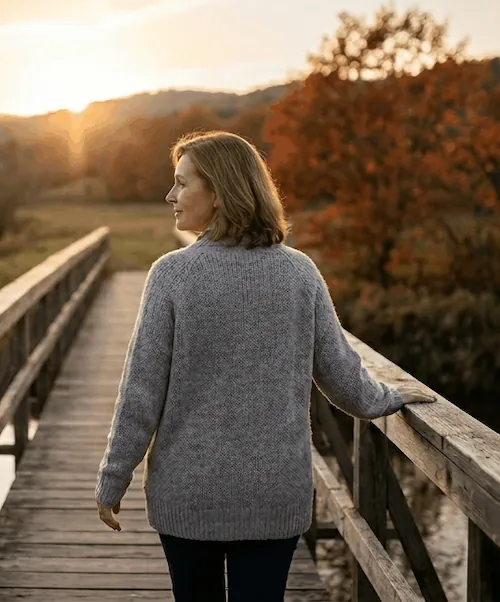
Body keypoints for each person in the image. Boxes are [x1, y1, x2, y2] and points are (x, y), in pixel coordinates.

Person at [94, 131, 436, 602]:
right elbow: (344, 382)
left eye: (181, 183)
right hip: (273, 493)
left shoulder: (171, 275)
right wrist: (392, 397)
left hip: (190, 492)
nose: (170, 195)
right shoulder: (299, 272)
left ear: (218, 192)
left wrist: (114, 477)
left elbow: (141, 391)